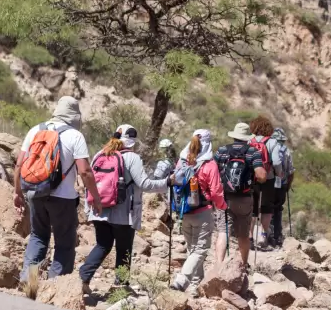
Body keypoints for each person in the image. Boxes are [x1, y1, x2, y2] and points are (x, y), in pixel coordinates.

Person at [15, 96, 101, 282]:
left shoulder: (35, 130)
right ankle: (56, 288)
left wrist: (17, 192)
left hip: (34, 193)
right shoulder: (75, 136)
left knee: (38, 236)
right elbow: (85, 172)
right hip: (63, 198)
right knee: (64, 244)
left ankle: (29, 281)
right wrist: (95, 197)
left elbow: (19, 165)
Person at [79, 124, 171, 294]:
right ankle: (120, 288)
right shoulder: (132, 158)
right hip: (124, 214)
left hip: (99, 210)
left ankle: (82, 279)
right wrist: (168, 182)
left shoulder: (100, 154)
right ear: (132, 142)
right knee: (124, 250)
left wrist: (88, 208)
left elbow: (88, 182)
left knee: (102, 245)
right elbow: (145, 184)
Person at [170, 130, 226, 296]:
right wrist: (222, 205)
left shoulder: (182, 162)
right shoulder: (209, 165)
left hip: (184, 212)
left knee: (192, 248)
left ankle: (195, 285)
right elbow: (216, 191)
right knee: (200, 250)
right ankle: (182, 280)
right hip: (203, 212)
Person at [214, 123, 266, 267]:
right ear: (247, 138)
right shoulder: (253, 152)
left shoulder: (222, 150)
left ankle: (219, 266)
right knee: (243, 235)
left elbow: (213, 171)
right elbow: (261, 175)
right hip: (244, 198)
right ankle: (242, 266)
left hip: (224, 198)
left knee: (223, 232)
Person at [248, 116, 283, 249]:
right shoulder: (272, 142)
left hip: (252, 178)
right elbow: (277, 161)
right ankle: (263, 235)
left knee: (252, 208)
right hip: (268, 178)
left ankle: (250, 237)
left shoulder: (249, 141)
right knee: (267, 208)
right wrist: (279, 173)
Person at [270, 128, 294, 248]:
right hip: (282, 185)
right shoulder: (286, 151)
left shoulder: (268, 149)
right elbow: (291, 172)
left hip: (268, 184)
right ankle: (277, 236)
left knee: (267, 209)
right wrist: (287, 187)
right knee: (278, 209)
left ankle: (267, 234)